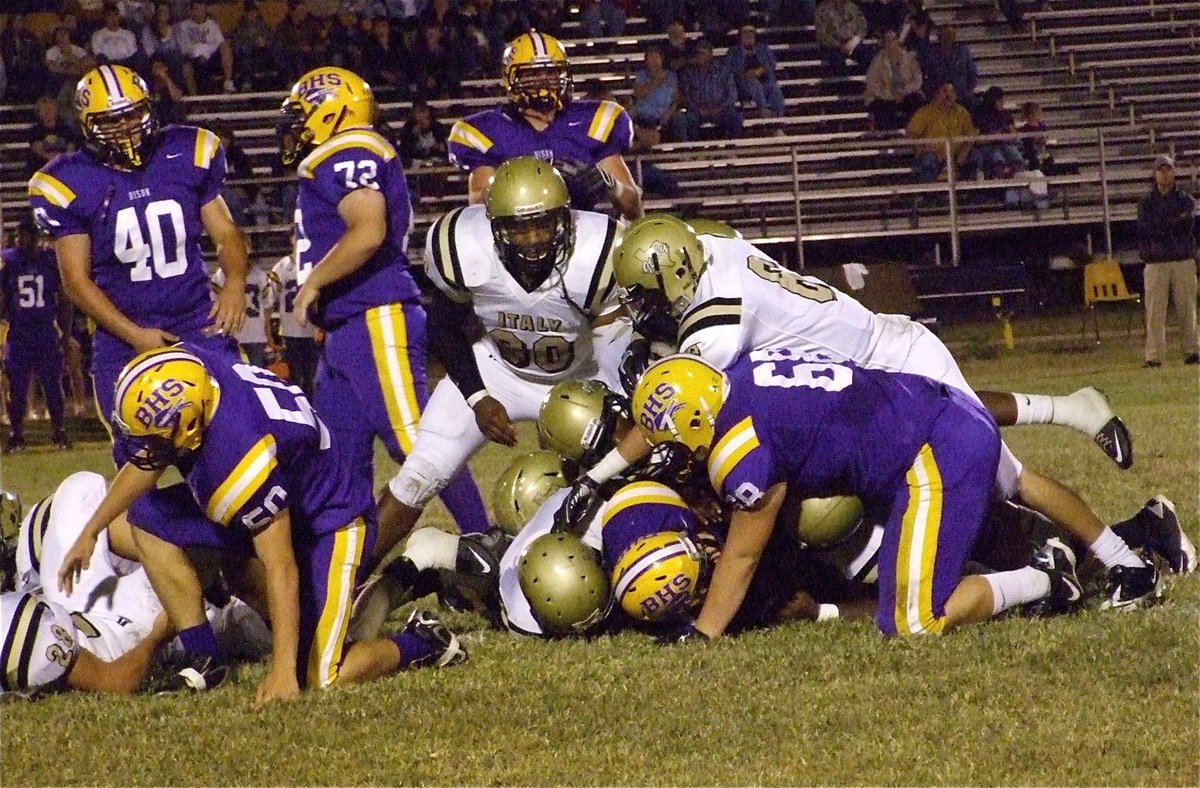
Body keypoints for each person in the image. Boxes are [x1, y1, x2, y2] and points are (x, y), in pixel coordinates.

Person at [562, 215, 1166, 610]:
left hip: (885, 361)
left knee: (1002, 477)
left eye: (643, 294)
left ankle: (1116, 557)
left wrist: (601, 472)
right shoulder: (711, 250)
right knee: (969, 458)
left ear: (675, 277)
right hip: (857, 373)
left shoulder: (715, 327)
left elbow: (672, 413)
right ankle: (1087, 521)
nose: (637, 308)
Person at [55, 345, 467, 703]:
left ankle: (423, 643)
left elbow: (281, 564)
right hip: (280, 486)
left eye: (157, 441)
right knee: (147, 518)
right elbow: (150, 459)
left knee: (322, 674)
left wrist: (283, 670)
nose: (146, 451)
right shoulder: (193, 371)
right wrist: (92, 530)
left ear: (192, 427)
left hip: (331, 520)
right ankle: (205, 657)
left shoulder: (238, 453)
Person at [374, 157, 632, 577]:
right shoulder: (463, 245)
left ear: (565, 220)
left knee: (610, 485)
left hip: (580, 379)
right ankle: (341, 583)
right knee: (417, 475)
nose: (532, 240)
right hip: (498, 370)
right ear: (494, 228)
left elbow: (615, 351)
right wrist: (477, 396)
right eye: (518, 228)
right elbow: (443, 327)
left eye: (543, 225)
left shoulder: (600, 251)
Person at [278, 66, 488, 542]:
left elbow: (368, 229)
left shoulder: (350, 148)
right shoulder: (334, 157)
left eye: (304, 114)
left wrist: (313, 285)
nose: (296, 127)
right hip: (347, 328)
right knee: (337, 459)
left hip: (376, 315)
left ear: (335, 113)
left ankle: (484, 540)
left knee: (418, 443)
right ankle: (344, 561)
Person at [28, 64, 248, 463]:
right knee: (141, 462)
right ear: (88, 125)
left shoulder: (186, 151)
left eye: (132, 114)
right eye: (113, 120)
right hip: (123, 343)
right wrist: (135, 335)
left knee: (238, 443)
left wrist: (234, 283)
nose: (127, 127)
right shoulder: (67, 181)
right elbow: (76, 282)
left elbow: (227, 233)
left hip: (199, 323)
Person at [446, 31, 643, 221]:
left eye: (551, 71)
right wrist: (532, 185)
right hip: (517, 243)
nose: (543, 79)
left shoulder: (592, 121)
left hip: (583, 237)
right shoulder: (487, 130)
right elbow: (478, 211)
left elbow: (634, 210)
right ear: (512, 79)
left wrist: (609, 185)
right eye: (532, 73)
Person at [0, 216, 72, 451]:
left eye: (27, 236)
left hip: (44, 331)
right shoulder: (8, 261)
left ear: (36, 237)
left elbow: (63, 299)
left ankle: (59, 431)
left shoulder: (50, 260)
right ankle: (16, 433)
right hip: (19, 333)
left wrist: (65, 333)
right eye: (20, 236)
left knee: (52, 386)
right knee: (17, 387)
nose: (22, 241)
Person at [1137, 155, 1199, 368]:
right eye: (1161, 170)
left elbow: (1184, 225)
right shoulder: (1146, 202)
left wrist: (1163, 225)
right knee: (1154, 311)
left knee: (1187, 308)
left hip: (1181, 258)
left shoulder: (1185, 199)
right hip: (1157, 261)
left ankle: (1193, 351)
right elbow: (1148, 229)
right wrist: (1171, 223)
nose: (1165, 173)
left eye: (1168, 169)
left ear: (1174, 172)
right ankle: (1154, 356)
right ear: (1154, 174)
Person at [906, 81, 980, 182]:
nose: (948, 95)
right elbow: (911, 133)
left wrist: (964, 152)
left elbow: (970, 135)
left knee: (975, 155)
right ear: (937, 94)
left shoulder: (962, 112)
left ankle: (974, 193)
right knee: (927, 160)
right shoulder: (926, 112)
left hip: (956, 155)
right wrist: (920, 150)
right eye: (945, 91)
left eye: (951, 92)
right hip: (935, 155)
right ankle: (930, 195)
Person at [270, 250, 319, 398]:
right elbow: (270, 297)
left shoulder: (313, 261)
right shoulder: (283, 266)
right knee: (296, 375)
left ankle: (311, 408)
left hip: (311, 328)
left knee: (312, 376)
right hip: (291, 330)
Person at [676, 39, 743, 141]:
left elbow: (732, 94)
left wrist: (719, 108)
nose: (699, 56)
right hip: (697, 111)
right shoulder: (689, 72)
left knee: (735, 118)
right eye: (697, 53)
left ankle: (729, 147)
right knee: (688, 120)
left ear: (710, 55)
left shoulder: (723, 71)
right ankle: (696, 148)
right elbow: (686, 95)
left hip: (720, 110)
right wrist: (697, 109)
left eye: (703, 53)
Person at [212, 258, 273, 368]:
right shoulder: (220, 276)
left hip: (255, 336)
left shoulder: (260, 275)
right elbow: (214, 307)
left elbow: (268, 307)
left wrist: (265, 332)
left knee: (257, 375)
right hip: (232, 335)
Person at [864, 28, 923, 131]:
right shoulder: (877, 61)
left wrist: (904, 91)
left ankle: (915, 132)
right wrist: (891, 94)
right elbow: (873, 85)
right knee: (883, 108)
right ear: (884, 43)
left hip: (905, 93)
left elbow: (918, 79)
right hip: (885, 96)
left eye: (894, 39)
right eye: (888, 40)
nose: (891, 43)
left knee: (917, 101)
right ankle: (889, 136)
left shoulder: (909, 57)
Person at [173, 0, 235, 94]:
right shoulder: (183, 26)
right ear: (191, 10)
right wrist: (198, 52)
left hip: (210, 58)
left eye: (202, 9)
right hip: (192, 59)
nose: (200, 13)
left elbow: (219, 44)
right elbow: (183, 48)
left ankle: (228, 84)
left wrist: (205, 53)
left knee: (226, 48)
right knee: (186, 67)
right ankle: (196, 100)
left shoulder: (212, 25)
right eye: (197, 9)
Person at [725, 25, 785, 118]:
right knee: (752, 80)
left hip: (764, 82)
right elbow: (728, 69)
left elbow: (772, 63)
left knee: (775, 90)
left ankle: (778, 121)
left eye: (751, 32)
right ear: (740, 36)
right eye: (745, 32)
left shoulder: (763, 48)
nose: (748, 35)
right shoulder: (733, 51)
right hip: (743, 86)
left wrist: (762, 69)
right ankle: (763, 108)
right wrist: (744, 74)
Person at [630, 44, 682, 139]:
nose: (654, 61)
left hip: (665, 113)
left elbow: (676, 99)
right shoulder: (642, 75)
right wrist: (655, 82)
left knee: (679, 120)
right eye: (651, 57)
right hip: (644, 114)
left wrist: (669, 113)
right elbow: (639, 94)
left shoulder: (671, 76)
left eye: (656, 57)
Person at [972, 86, 1025, 178]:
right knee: (997, 157)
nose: (1002, 103)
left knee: (1017, 157)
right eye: (1000, 101)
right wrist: (994, 136)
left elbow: (1013, 132)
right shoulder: (979, 114)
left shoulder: (1005, 114)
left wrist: (1006, 136)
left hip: (1004, 143)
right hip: (987, 146)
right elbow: (976, 139)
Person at [920, 24, 976, 106]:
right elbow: (924, 75)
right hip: (938, 96)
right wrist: (933, 94)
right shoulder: (930, 54)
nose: (946, 39)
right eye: (943, 36)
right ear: (939, 38)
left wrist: (966, 92)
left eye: (950, 36)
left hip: (960, 96)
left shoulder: (963, 51)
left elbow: (972, 73)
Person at [814, 0, 875, 75]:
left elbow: (863, 26)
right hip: (832, 46)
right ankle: (842, 86)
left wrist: (854, 41)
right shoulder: (822, 9)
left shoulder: (852, 7)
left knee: (869, 57)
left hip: (852, 42)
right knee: (837, 63)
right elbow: (822, 35)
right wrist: (839, 45)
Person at [25, 95, 77, 180]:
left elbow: (70, 149)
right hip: (41, 168)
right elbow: (37, 148)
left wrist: (59, 159)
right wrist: (49, 157)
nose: (47, 112)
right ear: (39, 112)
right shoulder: (35, 131)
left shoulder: (65, 130)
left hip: (62, 167)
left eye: (50, 109)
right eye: (44, 110)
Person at [90, 4, 143, 73]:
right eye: (110, 15)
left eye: (116, 15)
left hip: (127, 65)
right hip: (107, 66)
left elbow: (133, 54)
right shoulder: (98, 35)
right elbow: (98, 54)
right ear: (105, 18)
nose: (113, 18)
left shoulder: (128, 34)